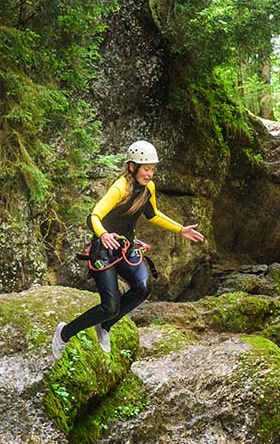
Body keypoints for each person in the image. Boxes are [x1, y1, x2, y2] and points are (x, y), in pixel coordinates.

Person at [51, 139, 205, 360]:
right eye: (146, 169)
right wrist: (103, 234)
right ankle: (64, 333)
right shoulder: (120, 187)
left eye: (152, 169)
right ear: (133, 167)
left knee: (143, 287)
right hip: (103, 250)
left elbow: (153, 215)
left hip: (126, 248)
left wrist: (180, 230)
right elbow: (94, 215)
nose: (150, 174)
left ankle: (105, 326)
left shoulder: (148, 189)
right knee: (110, 306)